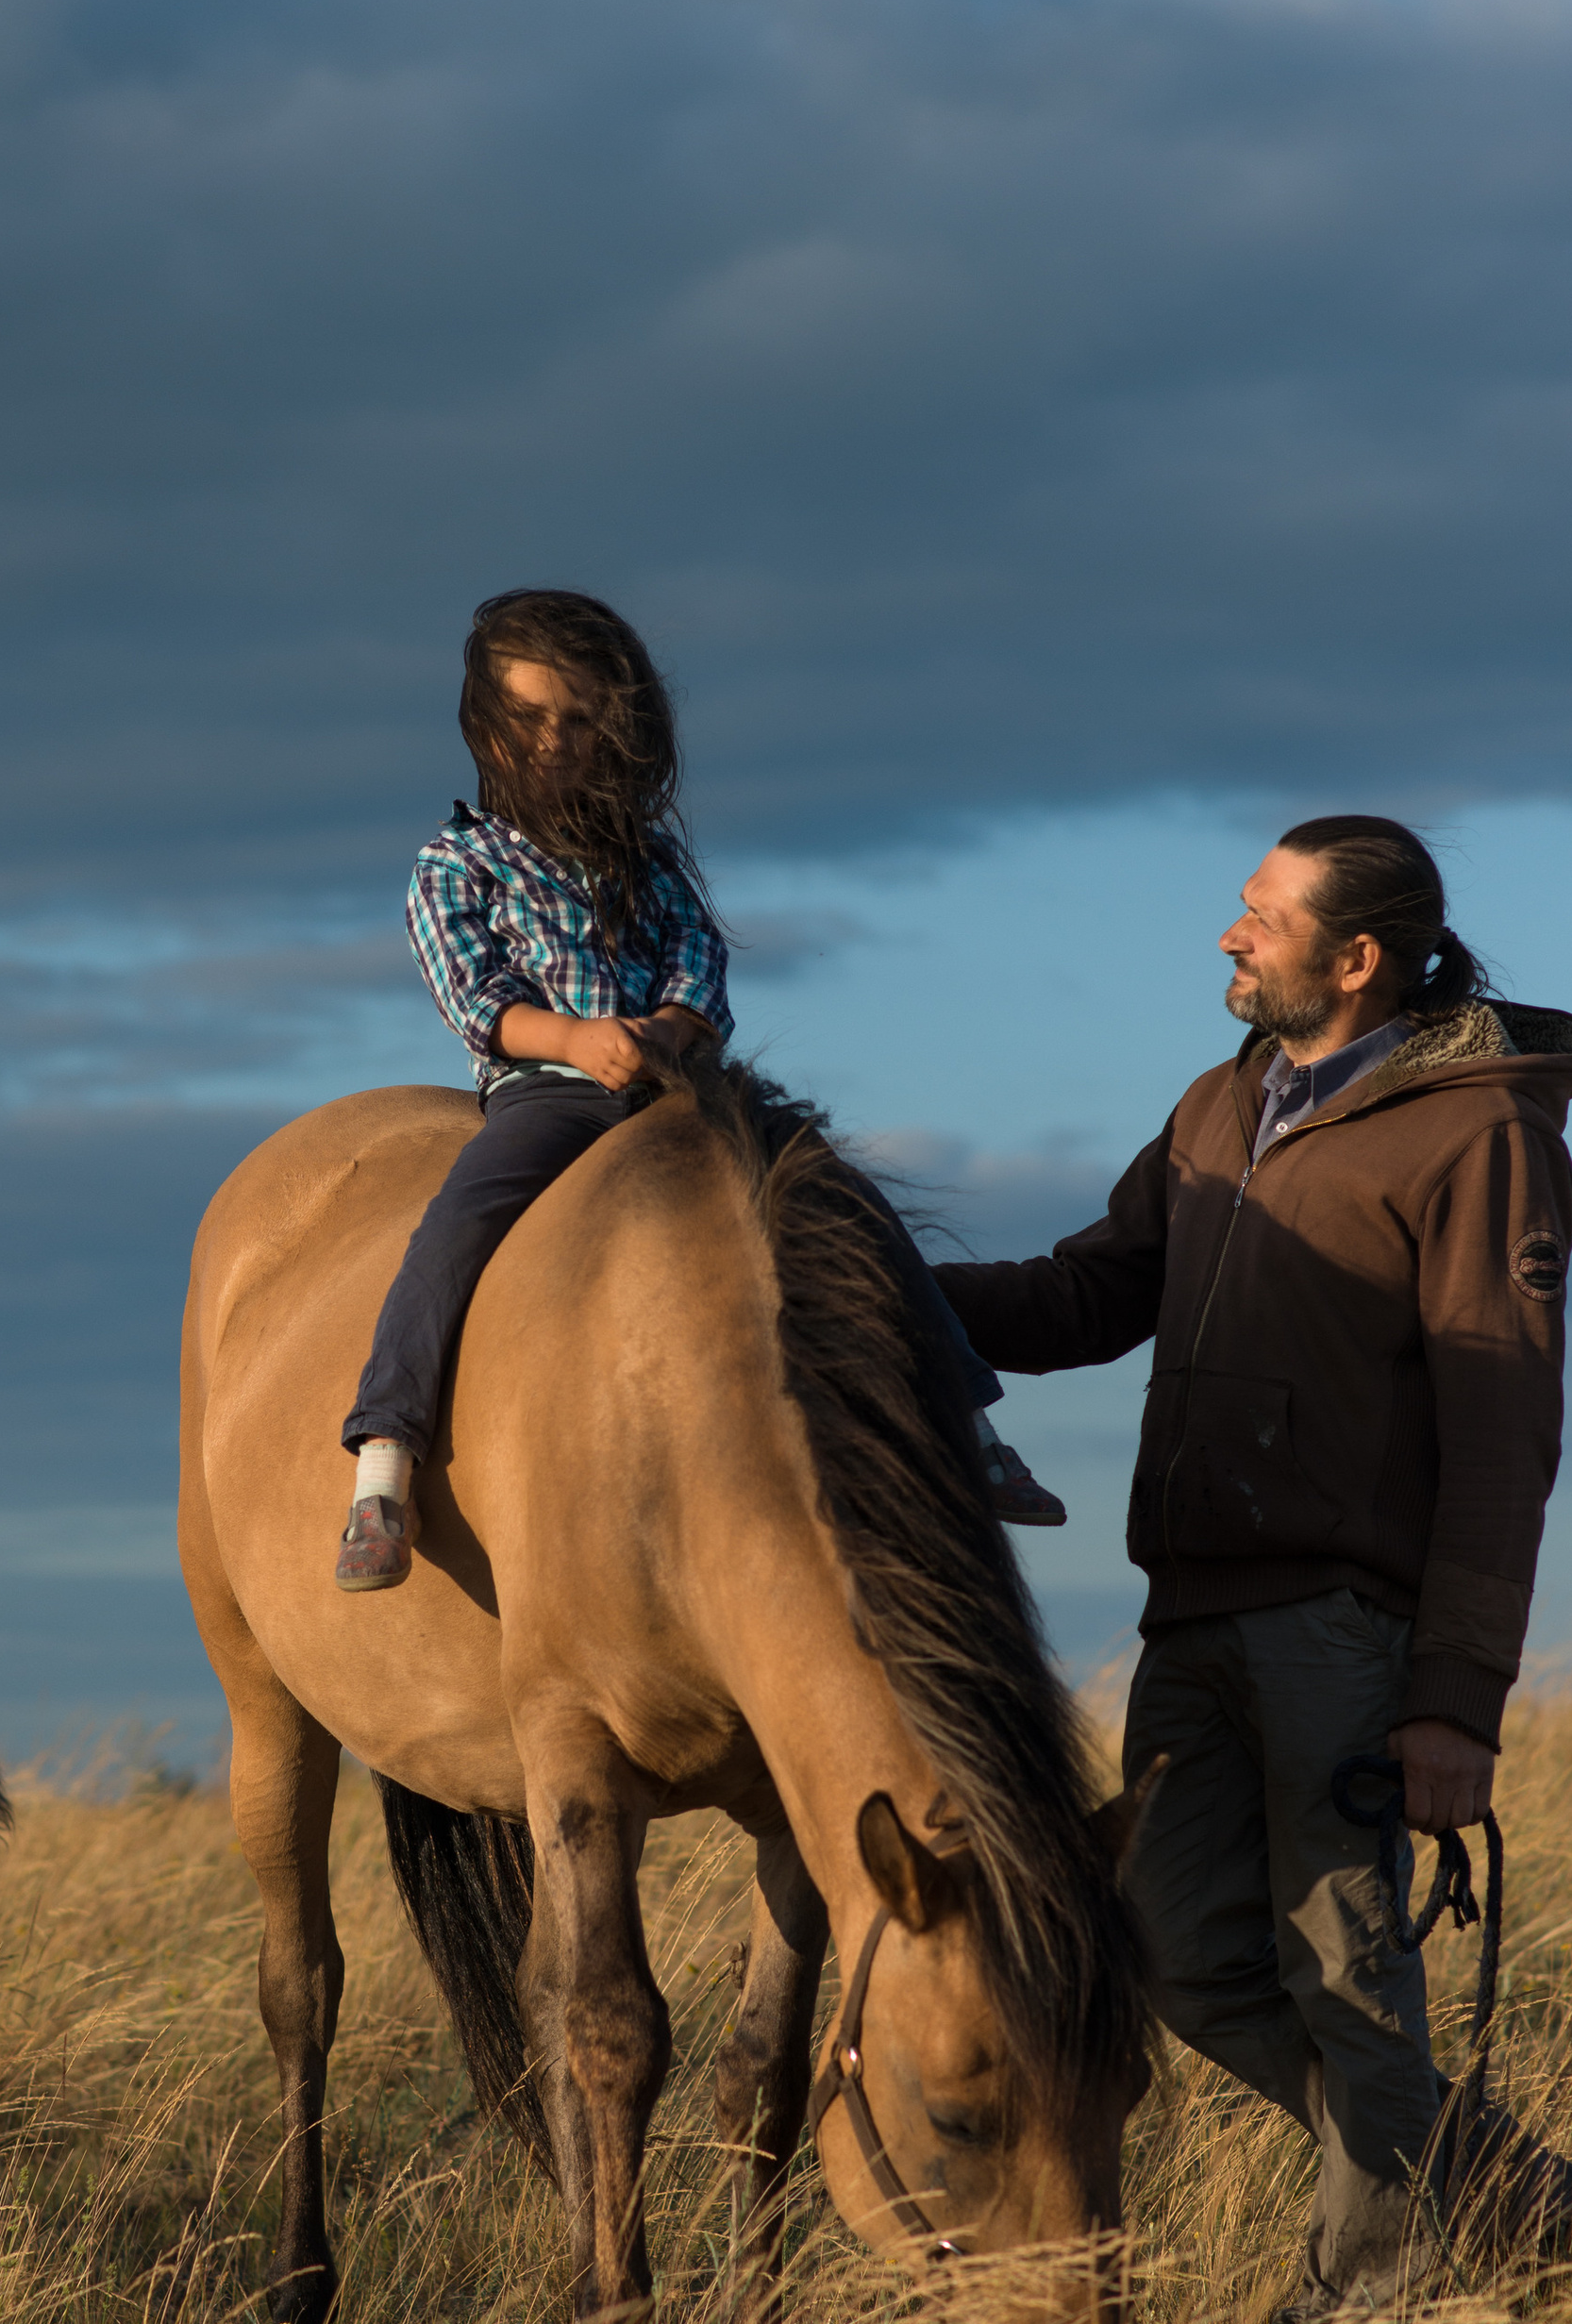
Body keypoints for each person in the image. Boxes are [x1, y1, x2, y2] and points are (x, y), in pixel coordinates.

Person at [933, 816, 1572, 2316]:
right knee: (1175, 1960)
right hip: (1194, 1613)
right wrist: (884, 1281)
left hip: (1343, 1632)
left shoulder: (1481, 1138)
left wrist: (1456, 1700)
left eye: (1261, 915)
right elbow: (1091, 1291)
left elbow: (1507, 1440)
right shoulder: (1221, 1101)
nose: (1230, 937)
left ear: (1356, 957)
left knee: (1350, 1981)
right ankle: (1520, 2200)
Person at [337, 587, 1062, 1591]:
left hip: (680, 1087)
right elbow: (478, 995)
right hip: (550, 1088)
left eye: (579, 719)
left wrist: (671, 1032)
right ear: (483, 727)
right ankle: (384, 1459)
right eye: (530, 719)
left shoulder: (649, 858)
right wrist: (579, 1039)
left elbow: (695, 964)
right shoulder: (456, 862)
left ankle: (965, 1422)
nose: (555, 741)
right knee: (460, 1219)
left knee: (838, 1193)